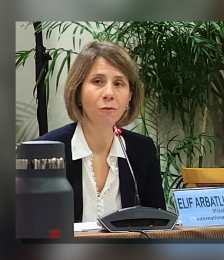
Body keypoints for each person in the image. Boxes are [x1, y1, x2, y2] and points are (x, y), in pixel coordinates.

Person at [36, 41, 166, 222]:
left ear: (129, 96)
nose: (109, 93)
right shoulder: (44, 152)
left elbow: (157, 225)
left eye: (119, 83)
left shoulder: (142, 150)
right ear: (78, 90)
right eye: (98, 81)